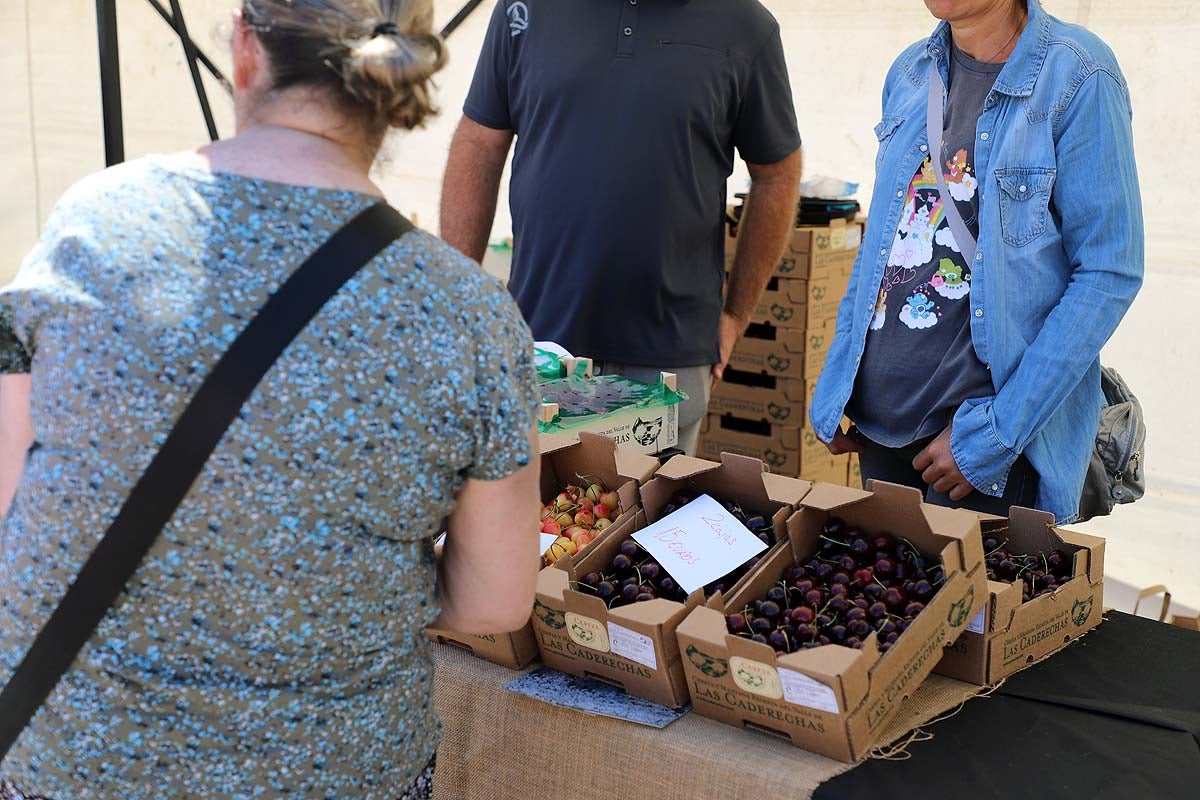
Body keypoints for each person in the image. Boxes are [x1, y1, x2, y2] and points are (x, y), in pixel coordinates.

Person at [0, 1, 542, 798]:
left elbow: (17, 503)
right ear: (396, 86)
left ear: (246, 52)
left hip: (78, 763)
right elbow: (495, 601)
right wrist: (334, 591)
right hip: (340, 774)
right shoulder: (468, 313)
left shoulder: (93, 223)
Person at [810, 0, 1143, 523]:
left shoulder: (1079, 73)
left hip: (986, 448)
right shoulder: (910, 71)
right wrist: (836, 383)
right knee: (891, 602)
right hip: (879, 428)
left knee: (976, 606)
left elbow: (1109, 273)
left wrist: (996, 433)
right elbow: (881, 245)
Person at [440, 0, 804, 455]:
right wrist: (457, 296)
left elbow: (777, 174)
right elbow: (478, 143)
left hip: (668, 356)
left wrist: (736, 315)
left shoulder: (746, 25)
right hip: (540, 346)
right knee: (540, 522)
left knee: (647, 520)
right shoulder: (524, 9)